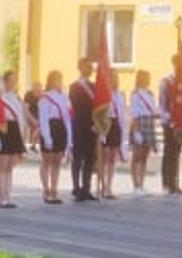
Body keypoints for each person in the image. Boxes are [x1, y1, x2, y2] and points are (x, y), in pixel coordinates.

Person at [0, 70, 30, 208]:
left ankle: (8, 196)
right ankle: (2, 198)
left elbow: (21, 118)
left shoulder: (17, 98)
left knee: (10, 167)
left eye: (14, 80)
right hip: (3, 129)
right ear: (5, 81)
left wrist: (22, 136)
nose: (12, 83)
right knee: (3, 166)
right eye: (9, 80)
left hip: (14, 131)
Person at [36, 71, 71, 204]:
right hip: (50, 127)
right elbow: (44, 119)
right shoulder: (45, 98)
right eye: (57, 80)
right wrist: (47, 137)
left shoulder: (64, 97)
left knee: (57, 161)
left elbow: (67, 118)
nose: (60, 83)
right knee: (47, 161)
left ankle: (54, 189)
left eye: (60, 80)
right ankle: (46, 189)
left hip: (60, 128)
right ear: (50, 81)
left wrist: (69, 138)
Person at [68, 58, 99, 202]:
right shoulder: (75, 86)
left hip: (92, 125)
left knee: (90, 157)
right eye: (88, 67)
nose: (91, 69)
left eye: (91, 67)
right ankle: (76, 187)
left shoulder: (95, 86)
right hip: (80, 125)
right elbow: (76, 106)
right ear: (80, 68)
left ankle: (86, 187)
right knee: (78, 157)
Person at [158, 60, 182, 195]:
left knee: (176, 153)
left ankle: (175, 183)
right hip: (169, 123)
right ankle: (166, 184)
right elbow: (162, 104)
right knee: (169, 153)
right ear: (175, 65)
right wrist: (169, 119)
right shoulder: (166, 82)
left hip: (180, 124)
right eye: (181, 66)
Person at [127, 70, 159, 196]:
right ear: (141, 79)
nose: (149, 80)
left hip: (149, 122)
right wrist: (135, 131)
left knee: (145, 156)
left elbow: (154, 110)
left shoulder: (150, 94)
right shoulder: (135, 94)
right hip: (139, 123)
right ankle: (135, 186)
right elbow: (134, 113)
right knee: (137, 156)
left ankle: (142, 184)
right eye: (146, 77)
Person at [95, 85, 126, 200]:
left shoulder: (119, 95)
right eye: (113, 77)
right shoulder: (104, 93)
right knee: (104, 157)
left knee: (113, 157)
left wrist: (123, 130)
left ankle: (109, 185)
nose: (116, 80)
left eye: (116, 78)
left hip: (115, 124)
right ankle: (103, 185)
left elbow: (122, 113)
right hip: (106, 123)